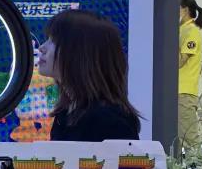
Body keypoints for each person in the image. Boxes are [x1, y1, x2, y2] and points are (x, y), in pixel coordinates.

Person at [37, 9, 141, 142]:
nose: (42, 48)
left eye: (54, 41)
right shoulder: (65, 114)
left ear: (80, 53)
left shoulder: (110, 121)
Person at [178, 0, 202, 148]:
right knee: (179, 140)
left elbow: (181, 61)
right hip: (177, 92)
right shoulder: (181, 29)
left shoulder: (192, 31)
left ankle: (198, 164)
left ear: (185, 10)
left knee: (190, 140)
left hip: (185, 92)